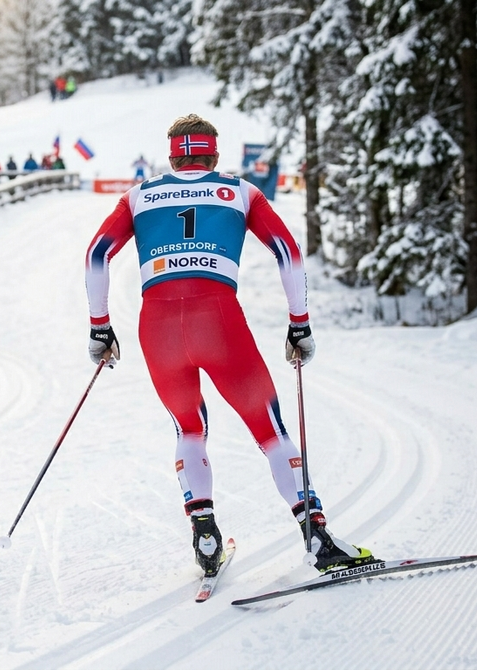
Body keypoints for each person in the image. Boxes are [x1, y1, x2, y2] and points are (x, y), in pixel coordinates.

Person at [83, 113, 375, 578]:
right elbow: (288, 252)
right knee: (269, 428)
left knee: (189, 428)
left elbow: (97, 254)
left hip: (156, 326)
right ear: (214, 153)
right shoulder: (240, 191)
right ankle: (317, 536)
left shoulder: (139, 195)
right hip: (218, 321)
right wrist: (298, 323)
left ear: (173, 154)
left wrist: (101, 327)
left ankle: (204, 532)